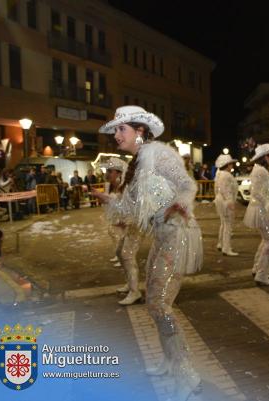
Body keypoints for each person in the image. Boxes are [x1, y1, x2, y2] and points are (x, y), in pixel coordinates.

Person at [92, 105, 202, 399]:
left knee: (159, 306)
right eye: (115, 129)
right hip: (161, 238)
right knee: (155, 304)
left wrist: (181, 203)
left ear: (140, 131)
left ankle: (186, 374)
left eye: (121, 129)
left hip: (178, 235)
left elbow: (187, 185)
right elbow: (130, 207)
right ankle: (170, 362)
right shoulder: (138, 163)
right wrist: (107, 199)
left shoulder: (159, 154)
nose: (116, 134)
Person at [102, 157, 143, 306]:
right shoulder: (117, 185)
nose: (107, 174)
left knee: (127, 255)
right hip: (129, 225)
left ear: (119, 173)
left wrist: (124, 222)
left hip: (135, 225)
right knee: (120, 253)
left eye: (110, 171)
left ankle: (135, 291)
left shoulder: (126, 185)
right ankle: (130, 285)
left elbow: (132, 208)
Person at [243, 143, 269, 286]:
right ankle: (261, 274)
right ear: (265, 157)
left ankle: (258, 268)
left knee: (267, 239)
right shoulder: (261, 171)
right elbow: (256, 193)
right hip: (261, 210)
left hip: (260, 209)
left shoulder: (258, 170)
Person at [214, 153, 239, 256]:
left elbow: (218, 189)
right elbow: (226, 190)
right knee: (228, 225)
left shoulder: (219, 174)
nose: (232, 166)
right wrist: (229, 201)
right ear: (227, 165)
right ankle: (226, 248)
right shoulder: (226, 175)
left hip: (220, 200)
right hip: (225, 201)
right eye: (231, 164)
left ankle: (221, 244)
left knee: (224, 223)